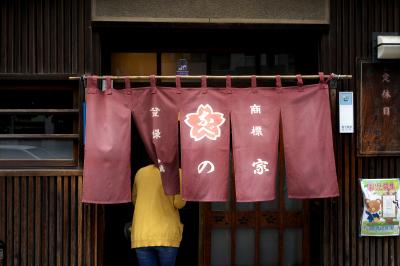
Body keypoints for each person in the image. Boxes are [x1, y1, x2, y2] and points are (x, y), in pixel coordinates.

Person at [131, 164, 185, 266]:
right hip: (166, 234)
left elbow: (135, 200)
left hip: (142, 233)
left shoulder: (140, 173)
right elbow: (179, 203)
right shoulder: (177, 173)